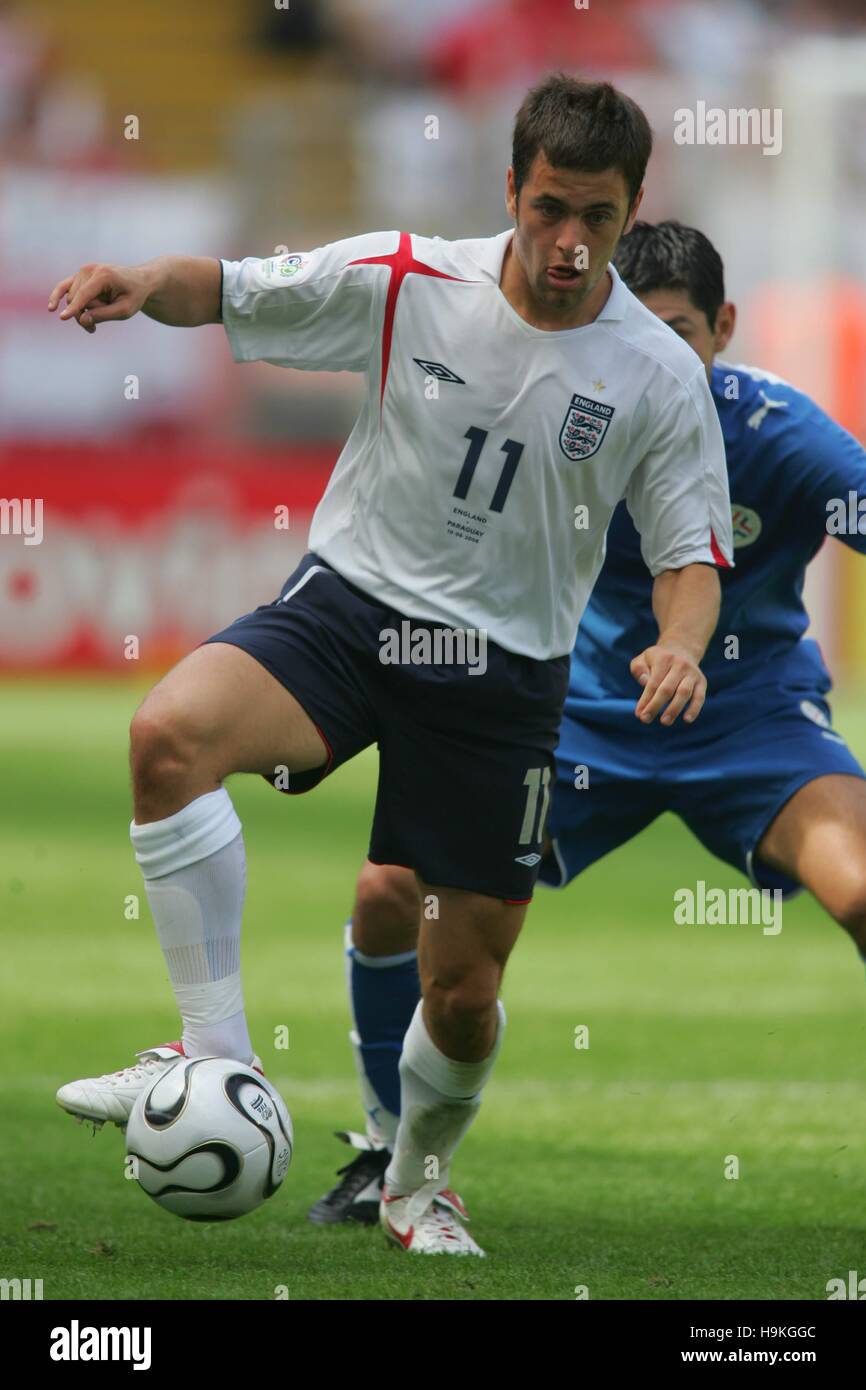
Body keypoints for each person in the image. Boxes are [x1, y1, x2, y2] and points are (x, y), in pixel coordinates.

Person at [49, 80, 733, 1257]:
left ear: (630, 213)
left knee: (461, 991)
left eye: (600, 220)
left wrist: (676, 640)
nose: (569, 243)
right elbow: (236, 289)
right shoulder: (410, 279)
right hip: (353, 610)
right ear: (509, 189)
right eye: (551, 208)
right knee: (167, 736)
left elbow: (689, 552)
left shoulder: (656, 374)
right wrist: (141, 284)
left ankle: (415, 1187)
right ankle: (214, 1052)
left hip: (505, 672)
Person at [312, 219, 866, 1230]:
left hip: (750, 721)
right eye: (637, 328)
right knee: (389, 891)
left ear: (723, 329)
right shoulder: (570, 411)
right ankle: (387, 1151)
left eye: (680, 332)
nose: (656, 352)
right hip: (570, 718)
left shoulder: (778, 437)